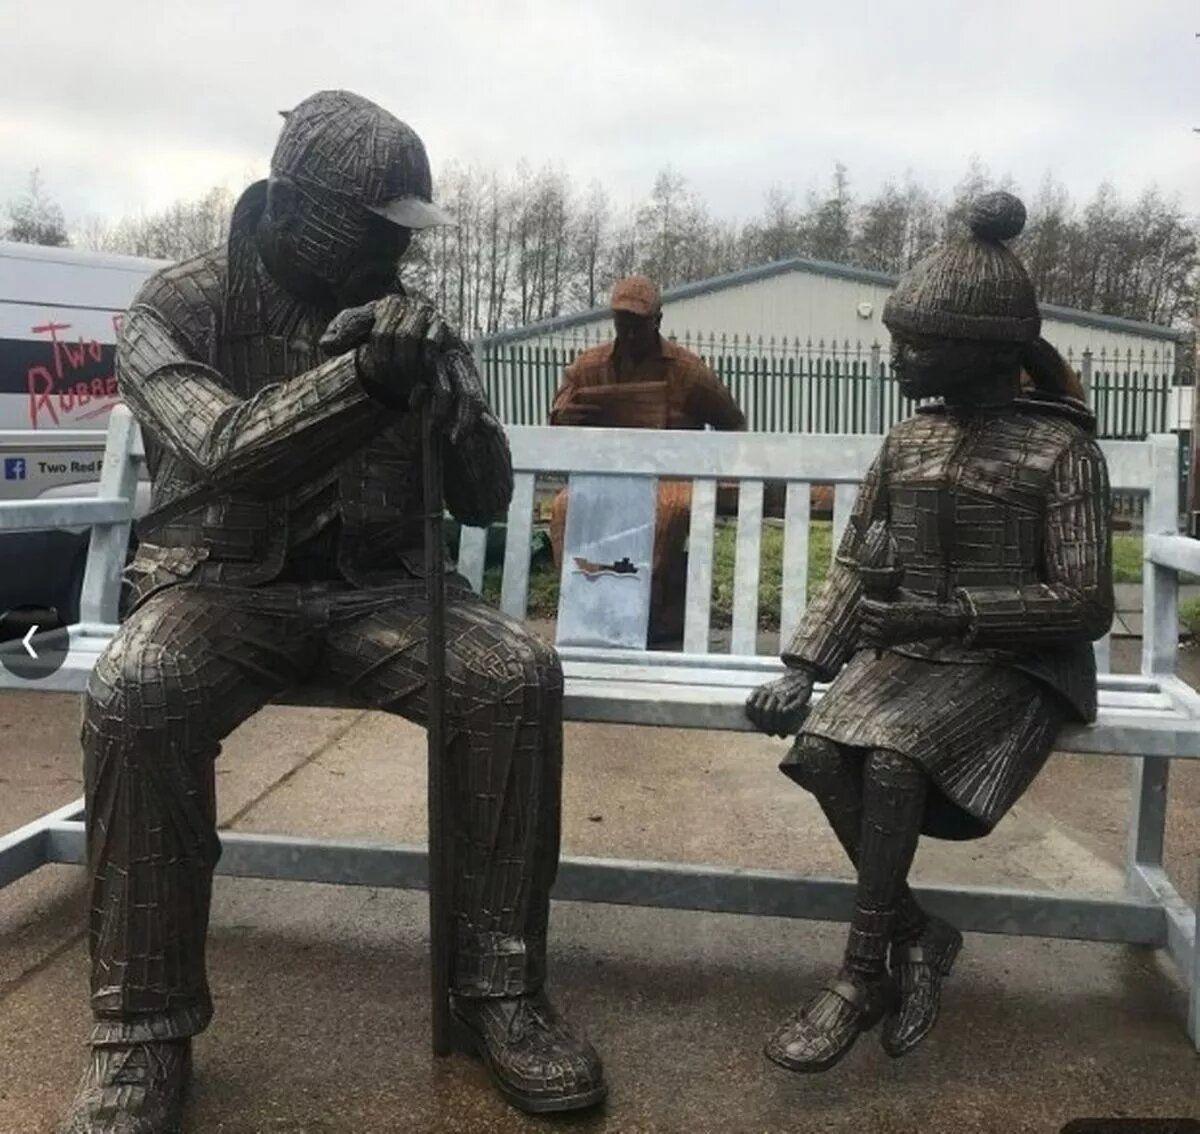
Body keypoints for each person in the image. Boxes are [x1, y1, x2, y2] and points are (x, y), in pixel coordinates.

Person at [61, 91, 605, 1133]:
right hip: (219, 586)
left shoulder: (409, 317)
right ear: (288, 207)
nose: (391, 254)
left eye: (402, 235)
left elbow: (487, 501)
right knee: (138, 692)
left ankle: (501, 994)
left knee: (514, 680)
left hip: (382, 592)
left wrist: (447, 392)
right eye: (375, 230)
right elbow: (224, 452)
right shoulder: (174, 308)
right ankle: (139, 1030)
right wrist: (364, 380)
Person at [745, 192, 1113, 1072]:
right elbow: (854, 563)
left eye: (913, 345)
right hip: (911, 653)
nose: (897, 360)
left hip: (1020, 663)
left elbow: (1087, 601)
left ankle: (859, 973)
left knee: (899, 754)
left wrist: (953, 615)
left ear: (977, 349)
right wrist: (804, 666)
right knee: (826, 749)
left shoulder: (1061, 451)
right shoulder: (908, 441)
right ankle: (920, 934)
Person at [548, 276, 745, 643]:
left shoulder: (688, 371)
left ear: (658, 319)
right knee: (565, 507)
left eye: (638, 322)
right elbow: (556, 421)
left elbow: (733, 422)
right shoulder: (588, 368)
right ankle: (587, 607)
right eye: (623, 321)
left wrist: (713, 471)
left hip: (670, 475)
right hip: (606, 472)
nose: (630, 330)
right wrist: (567, 418)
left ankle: (642, 613)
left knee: (667, 510)